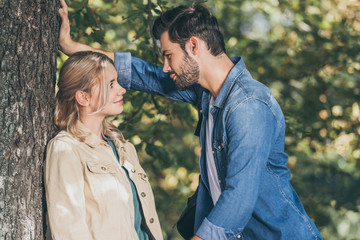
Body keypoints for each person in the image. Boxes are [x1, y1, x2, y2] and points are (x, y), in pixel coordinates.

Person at [58, 0, 323, 239]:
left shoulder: (248, 106)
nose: (165, 66)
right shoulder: (207, 94)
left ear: (193, 45)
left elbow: (239, 198)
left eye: (168, 55)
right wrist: (73, 48)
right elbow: (145, 75)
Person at [44, 51, 163, 240]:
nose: (121, 89)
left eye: (117, 81)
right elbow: (69, 232)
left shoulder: (124, 148)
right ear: (83, 97)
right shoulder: (65, 149)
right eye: (110, 84)